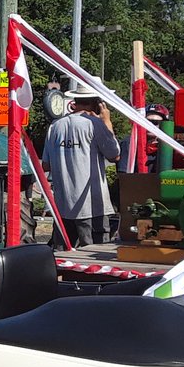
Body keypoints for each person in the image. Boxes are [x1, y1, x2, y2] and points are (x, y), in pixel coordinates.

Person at [42, 78, 120, 248]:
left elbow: (46, 165)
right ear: (98, 103)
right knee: (93, 253)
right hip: (92, 206)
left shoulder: (55, 126)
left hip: (63, 205)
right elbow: (114, 155)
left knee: (62, 254)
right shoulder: (96, 124)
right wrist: (107, 122)